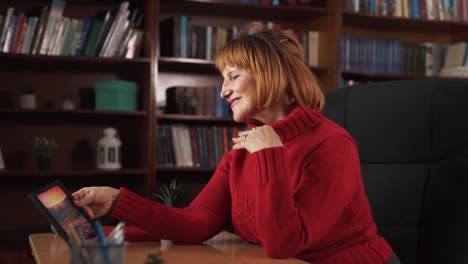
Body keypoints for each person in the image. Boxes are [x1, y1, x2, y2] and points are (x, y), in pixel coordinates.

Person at [72, 28, 401, 264]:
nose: (223, 92)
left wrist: (270, 154)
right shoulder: (243, 152)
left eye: (232, 76)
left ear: (269, 73)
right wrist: (116, 206)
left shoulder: (332, 144)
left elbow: (285, 244)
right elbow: (194, 224)